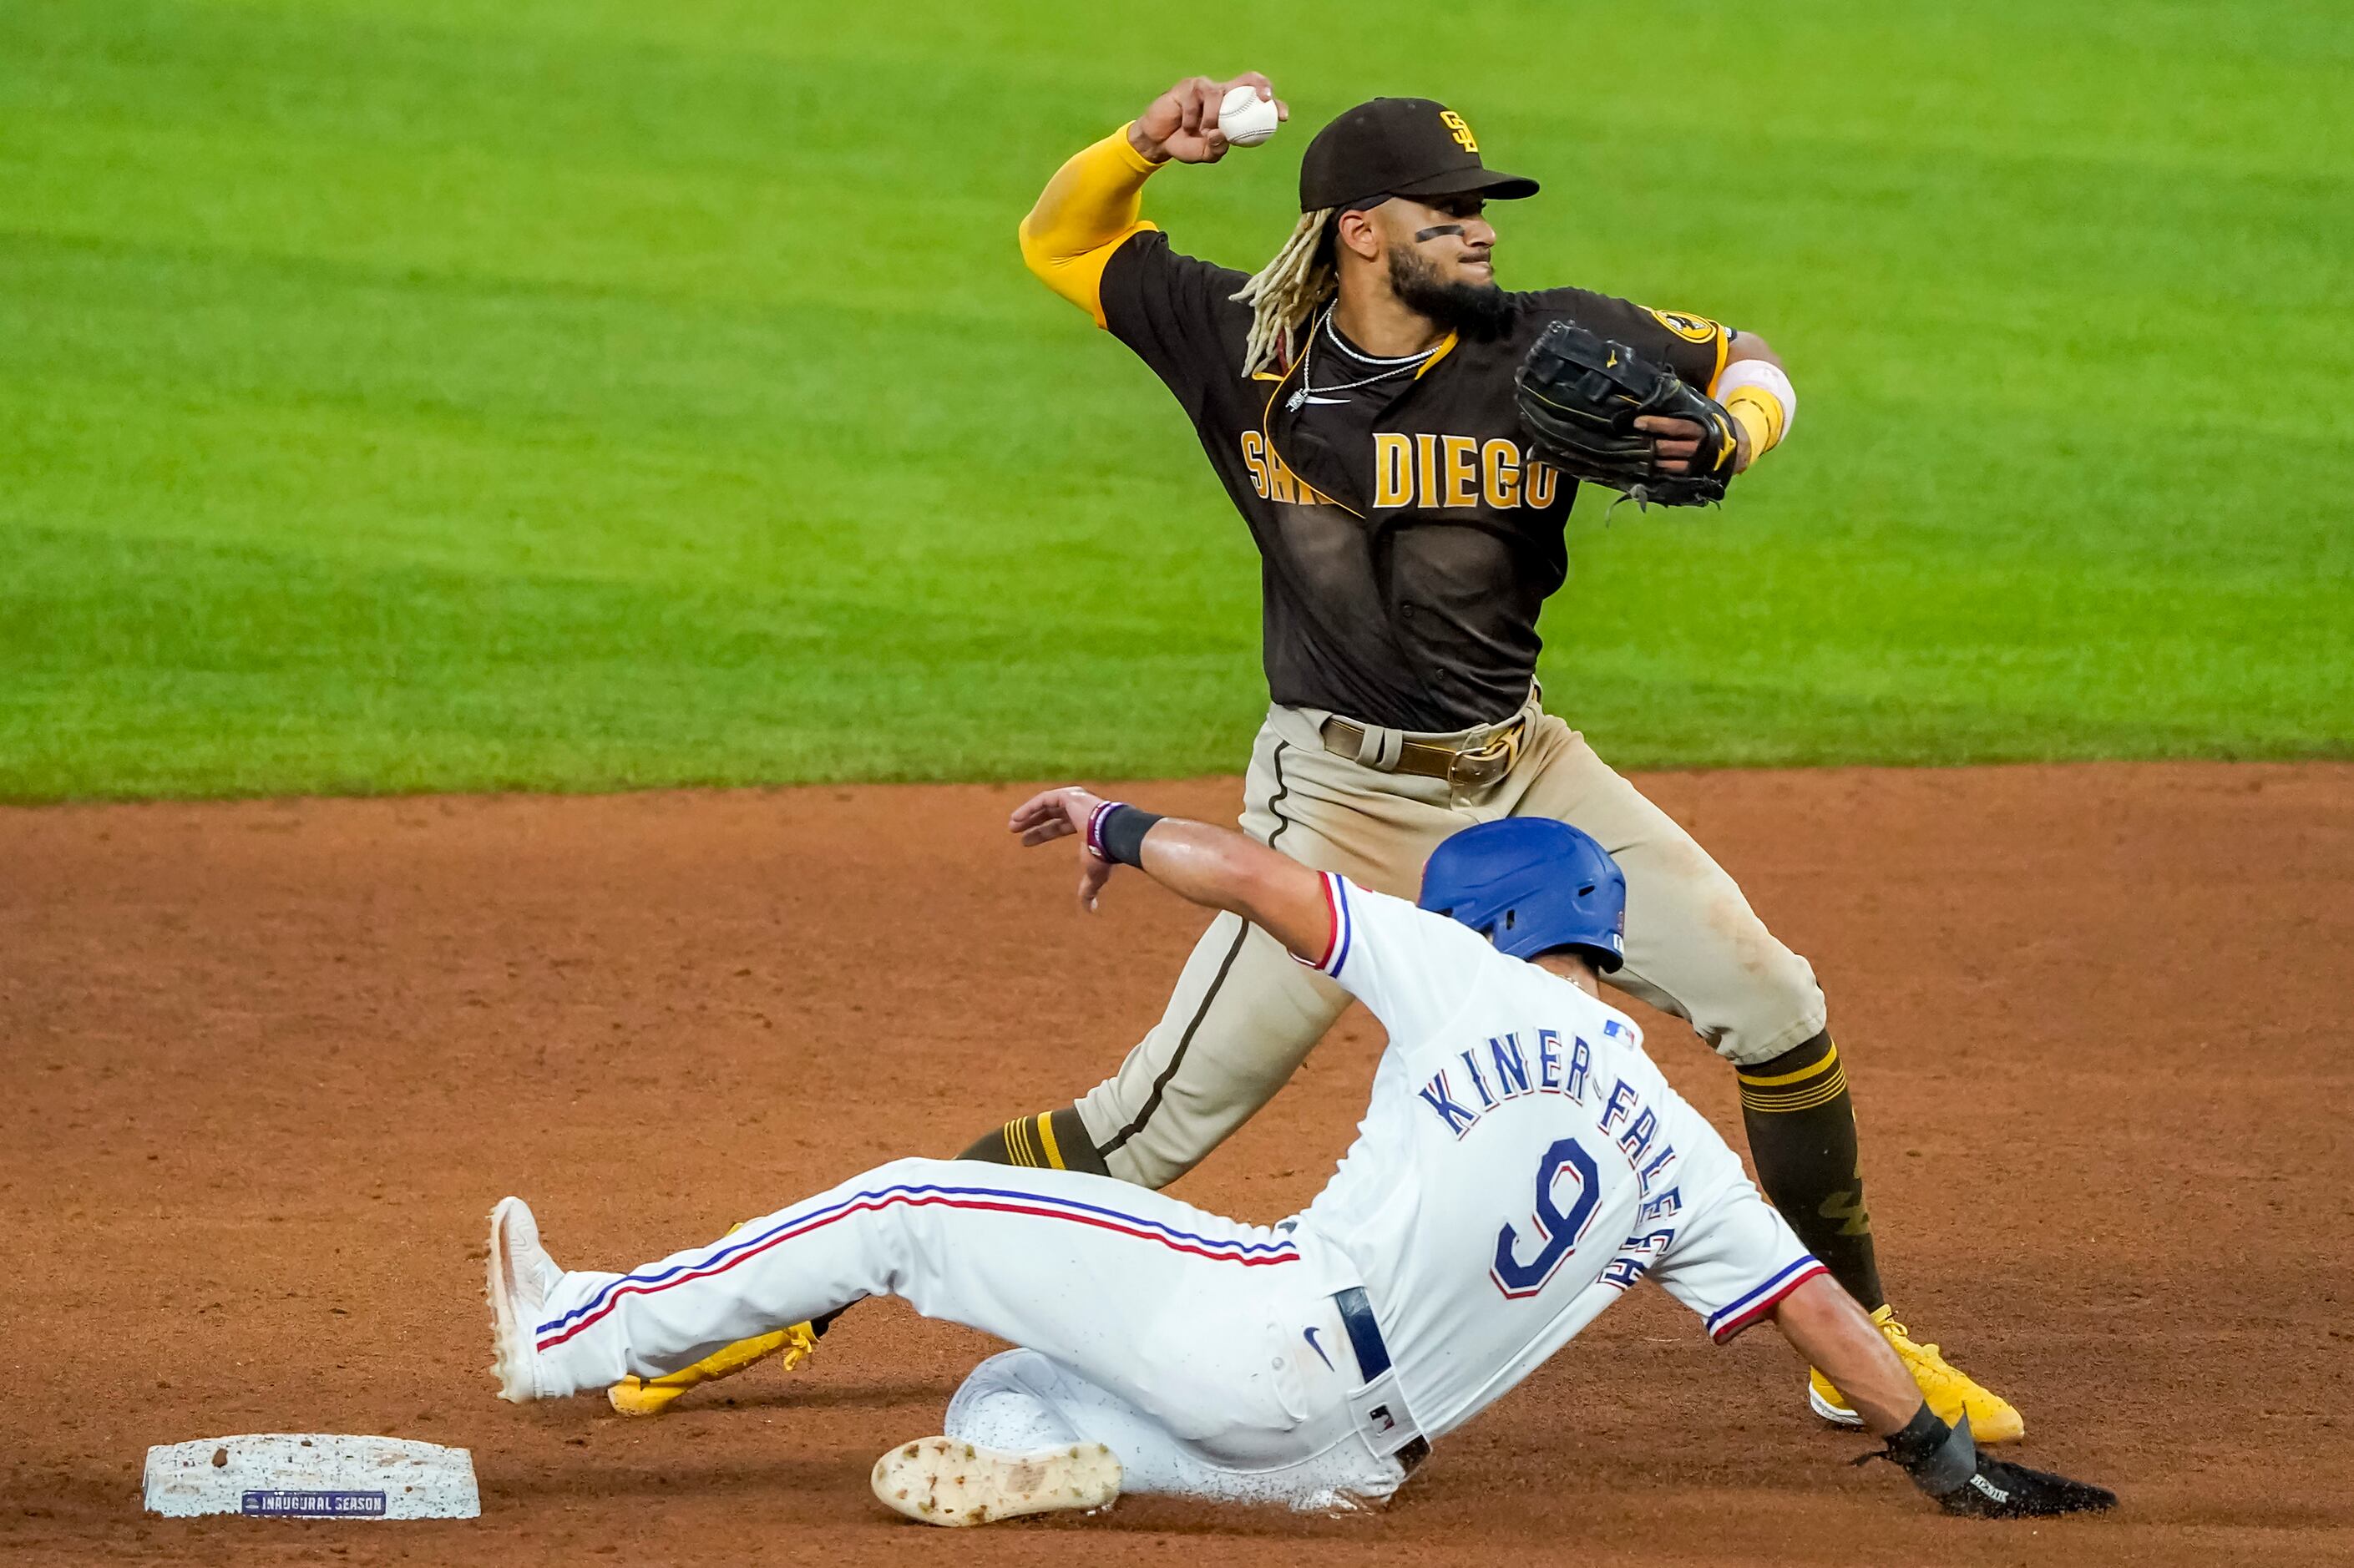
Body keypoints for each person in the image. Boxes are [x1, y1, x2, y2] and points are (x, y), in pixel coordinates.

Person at [625, 74, 2019, 1440]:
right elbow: (1063, 239)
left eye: (1487, 209)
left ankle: (1859, 1341)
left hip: (1526, 777)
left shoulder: (1548, 342)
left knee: (1775, 1003)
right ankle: (787, 1297)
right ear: (1360, 228)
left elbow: (1744, 356)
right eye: (1450, 209)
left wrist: (1738, 426)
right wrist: (1139, 144)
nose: (1481, 230)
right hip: (1336, 799)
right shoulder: (1242, 343)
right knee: (1148, 1128)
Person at [492, 792, 2112, 1526]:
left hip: (1263, 1330)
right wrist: (1941, 1464)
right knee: (999, 1404)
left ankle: (578, 1335)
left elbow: (1268, 885)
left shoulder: (1454, 973)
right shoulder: (1682, 1149)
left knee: (909, 1208)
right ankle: (1092, 1469)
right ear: (1599, 942)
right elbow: (1826, 1314)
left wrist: (1117, 826)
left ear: (1486, 921)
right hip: (1347, 1471)